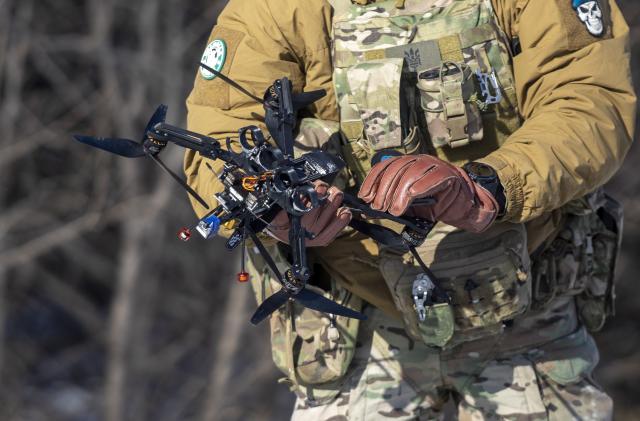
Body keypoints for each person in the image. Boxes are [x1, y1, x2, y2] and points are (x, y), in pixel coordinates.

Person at [184, 0, 636, 419]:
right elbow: (219, 138)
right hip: (356, 325)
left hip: (527, 314)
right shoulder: (274, 9)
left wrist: (490, 184)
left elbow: (590, 100)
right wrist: (275, 209)